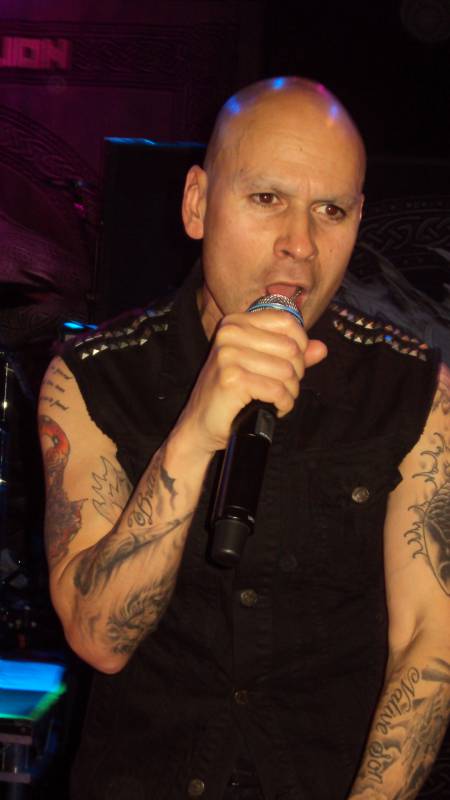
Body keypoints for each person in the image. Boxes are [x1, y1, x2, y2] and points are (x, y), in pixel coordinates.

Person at [38, 77, 450, 800]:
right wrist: (196, 431)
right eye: (266, 199)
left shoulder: (414, 388)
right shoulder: (93, 377)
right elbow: (99, 639)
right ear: (197, 203)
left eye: (330, 210)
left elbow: (429, 638)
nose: (300, 244)